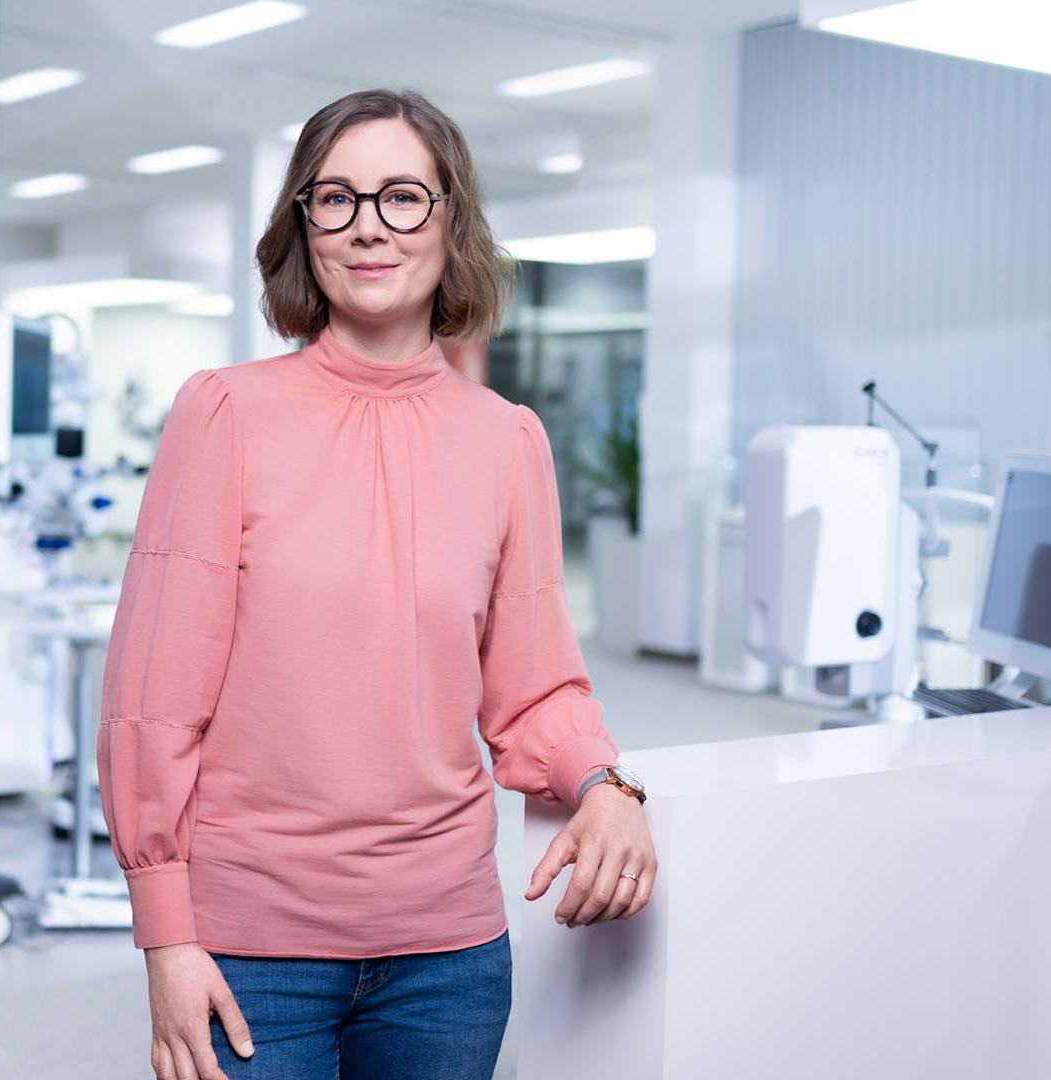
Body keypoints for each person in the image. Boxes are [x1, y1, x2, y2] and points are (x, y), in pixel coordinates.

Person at [97, 88, 658, 1080]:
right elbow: (153, 702)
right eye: (336, 198)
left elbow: (534, 688)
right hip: (252, 950)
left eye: (403, 196)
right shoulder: (224, 412)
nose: (367, 226)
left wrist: (606, 786)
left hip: (447, 954)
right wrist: (166, 934)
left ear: (452, 223)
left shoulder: (508, 439)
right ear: (302, 226)